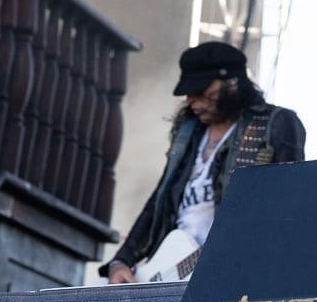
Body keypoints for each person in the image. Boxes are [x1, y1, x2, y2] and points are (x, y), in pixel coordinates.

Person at [101, 42, 305, 283]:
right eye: (188, 92)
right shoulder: (189, 132)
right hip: (171, 268)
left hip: (233, 272)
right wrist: (122, 260)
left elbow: (290, 207)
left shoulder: (276, 124)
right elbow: (160, 200)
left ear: (232, 83)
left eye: (201, 90)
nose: (191, 100)